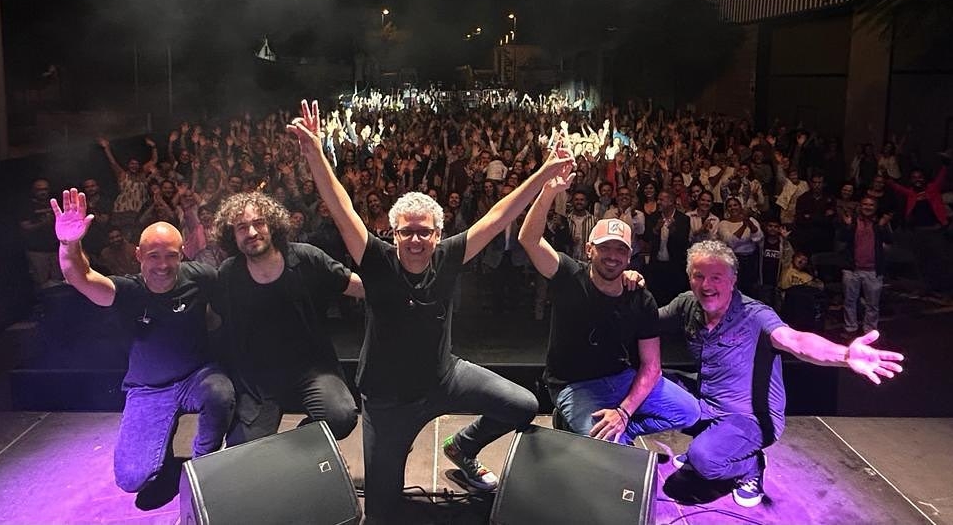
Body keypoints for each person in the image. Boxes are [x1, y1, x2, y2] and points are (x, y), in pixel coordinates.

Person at [288, 99, 573, 523]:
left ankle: (463, 447)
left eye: (425, 232)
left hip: (444, 377)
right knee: (383, 512)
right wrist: (314, 152)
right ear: (393, 233)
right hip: (388, 401)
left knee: (523, 404)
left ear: (439, 234)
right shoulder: (377, 259)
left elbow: (498, 217)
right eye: (408, 231)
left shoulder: (449, 256)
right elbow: (340, 204)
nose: (416, 239)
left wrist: (544, 173)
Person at [660, 240, 904, 508]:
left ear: (733, 280)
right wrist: (625, 288)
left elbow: (796, 341)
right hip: (708, 403)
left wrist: (844, 355)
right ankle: (713, 444)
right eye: (699, 276)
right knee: (651, 386)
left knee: (706, 460)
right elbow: (646, 318)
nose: (706, 285)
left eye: (716, 278)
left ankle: (749, 466)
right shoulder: (687, 305)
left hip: (750, 419)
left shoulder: (755, 315)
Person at [51, 189, 235, 508]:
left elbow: (232, 306)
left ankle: (204, 466)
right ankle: (161, 449)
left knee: (219, 392)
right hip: (149, 389)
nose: (163, 265)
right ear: (138, 255)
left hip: (196, 376)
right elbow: (80, 276)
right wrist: (70, 243)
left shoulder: (201, 278)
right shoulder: (128, 291)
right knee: (132, 479)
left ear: (182, 254)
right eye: (153, 256)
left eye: (171, 255)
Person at [518, 176, 699, 445]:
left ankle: (623, 430)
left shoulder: (640, 297)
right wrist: (549, 190)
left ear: (629, 255)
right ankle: (585, 425)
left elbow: (652, 366)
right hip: (574, 386)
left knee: (689, 412)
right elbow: (529, 239)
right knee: (613, 449)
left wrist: (624, 413)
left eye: (620, 249)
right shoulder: (569, 275)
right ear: (589, 249)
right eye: (605, 247)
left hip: (620, 378)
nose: (612, 256)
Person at [211, 191, 365, 446]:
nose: (251, 233)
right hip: (258, 379)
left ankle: (290, 452)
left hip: (312, 369)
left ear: (272, 224)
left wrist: (403, 288)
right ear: (232, 235)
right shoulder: (229, 274)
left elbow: (357, 286)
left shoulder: (305, 258)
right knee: (243, 449)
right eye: (242, 227)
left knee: (340, 416)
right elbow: (212, 318)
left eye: (258, 223)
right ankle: (284, 453)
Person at [836, 197, 893, 337]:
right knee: (849, 301)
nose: (868, 207)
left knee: (872, 304)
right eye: (865, 204)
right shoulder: (853, 222)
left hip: (873, 270)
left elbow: (889, 240)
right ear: (860, 206)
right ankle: (850, 328)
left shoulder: (880, 223)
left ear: (875, 207)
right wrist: (847, 225)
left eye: (871, 205)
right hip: (852, 269)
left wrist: (882, 226)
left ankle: (870, 331)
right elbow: (841, 239)